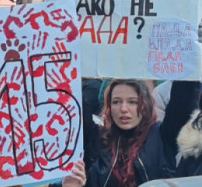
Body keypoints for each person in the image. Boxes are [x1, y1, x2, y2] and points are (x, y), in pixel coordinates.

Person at [62, 79, 194, 187]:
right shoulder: (97, 139)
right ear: (108, 106)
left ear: (145, 105)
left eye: (132, 102)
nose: (123, 109)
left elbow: (182, 98)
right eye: (116, 102)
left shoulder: (162, 136)